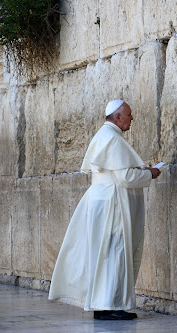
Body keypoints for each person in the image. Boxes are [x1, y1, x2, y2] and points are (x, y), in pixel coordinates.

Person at [48, 100, 161, 320]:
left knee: (105, 255)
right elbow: (126, 177)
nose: (131, 118)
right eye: (128, 115)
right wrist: (150, 174)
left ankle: (103, 306)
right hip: (113, 205)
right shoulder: (112, 138)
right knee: (115, 254)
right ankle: (112, 306)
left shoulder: (104, 135)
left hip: (102, 202)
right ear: (117, 117)